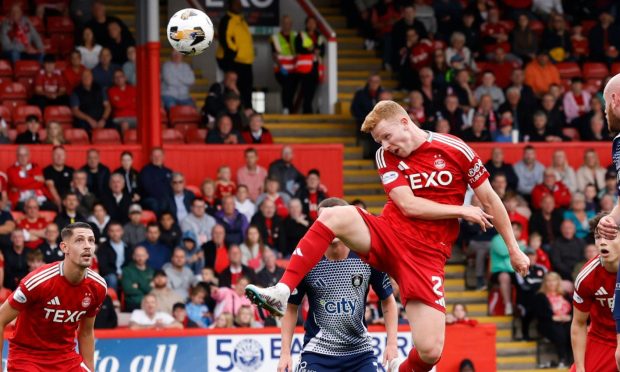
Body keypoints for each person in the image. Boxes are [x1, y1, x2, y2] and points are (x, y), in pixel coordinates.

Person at [247, 100, 529, 372]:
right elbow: (408, 205)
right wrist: (462, 210)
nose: (384, 145)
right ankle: (280, 291)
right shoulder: (385, 155)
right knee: (331, 215)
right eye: (379, 140)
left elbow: (491, 200)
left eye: (386, 136)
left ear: (405, 123)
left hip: (427, 255)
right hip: (390, 234)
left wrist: (514, 249)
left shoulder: (455, 149)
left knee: (430, 351)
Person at [278, 197, 398, 372]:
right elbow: (291, 307)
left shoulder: (367, 256)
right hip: (317, 354)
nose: (330, 225)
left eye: (335, 219)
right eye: (324, 221)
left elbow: (388, 300)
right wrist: (285, 353)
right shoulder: (306, 260)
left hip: (360, 352)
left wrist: (392, 343)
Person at [0, 222, 106, 371]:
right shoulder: (38, 281)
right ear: (64, 248)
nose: (87, 246)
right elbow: (1, 319)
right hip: (28, 359)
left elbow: (86, 332)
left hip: (66, 358)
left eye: (91, 240)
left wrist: (90, 369)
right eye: (79, 240)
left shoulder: (98, 287)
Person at [570, 213, 618, 372]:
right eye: (598, 237)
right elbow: (579, 323)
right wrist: (580, 368)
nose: (603, 242)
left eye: (610, 236)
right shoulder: (587, 277)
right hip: (602, 339)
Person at [215, 0, 254, 109]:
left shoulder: (242, 21)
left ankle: (248, 113)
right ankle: (231, 113)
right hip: (233, 61)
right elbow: (225, 40)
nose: (239, 6)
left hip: (246, 62)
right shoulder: (226, 20)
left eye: (240, 4)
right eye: (236, 4)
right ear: (230, 5)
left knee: (247, 90)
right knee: (233, 89)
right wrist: (233, 55)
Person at [534, 272, 573, 368]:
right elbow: (539, 313)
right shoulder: (540, 296)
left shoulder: (565, 295)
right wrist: (553, 318)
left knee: (572, 331)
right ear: (545, 283)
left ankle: (572, 361)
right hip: (548, 323)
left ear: (558, 282)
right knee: (559, 332)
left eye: (554, 281)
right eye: (548, 281)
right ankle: (562, 359)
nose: (551, 283)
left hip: (566, 321)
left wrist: (570, 317)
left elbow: (575, 309)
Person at [295, 16, 325, 114]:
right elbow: (298, 48)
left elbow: (322, 50)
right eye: (309, 22)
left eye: (313, 22)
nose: (311, 24)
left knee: (312, 89)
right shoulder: (301, 35)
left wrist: (316, 51)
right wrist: (312, 50)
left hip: (315, 67)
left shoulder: (320, 36)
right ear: (306, 24)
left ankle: (308, 109)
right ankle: (306, 110)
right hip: (304, 67)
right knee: (304, 88)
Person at [271, 15, 297, 114]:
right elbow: (274, 55)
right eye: (285, 23)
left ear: (291, 24)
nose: (287, 25)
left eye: (289, 23)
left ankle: (291, 109)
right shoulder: (275, 37)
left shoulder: (295, 36)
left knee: (292, 89)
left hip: (294, 69)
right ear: (282, 24)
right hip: (281, 69)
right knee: (286, 86)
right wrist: (281, 67)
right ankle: (286, 108)